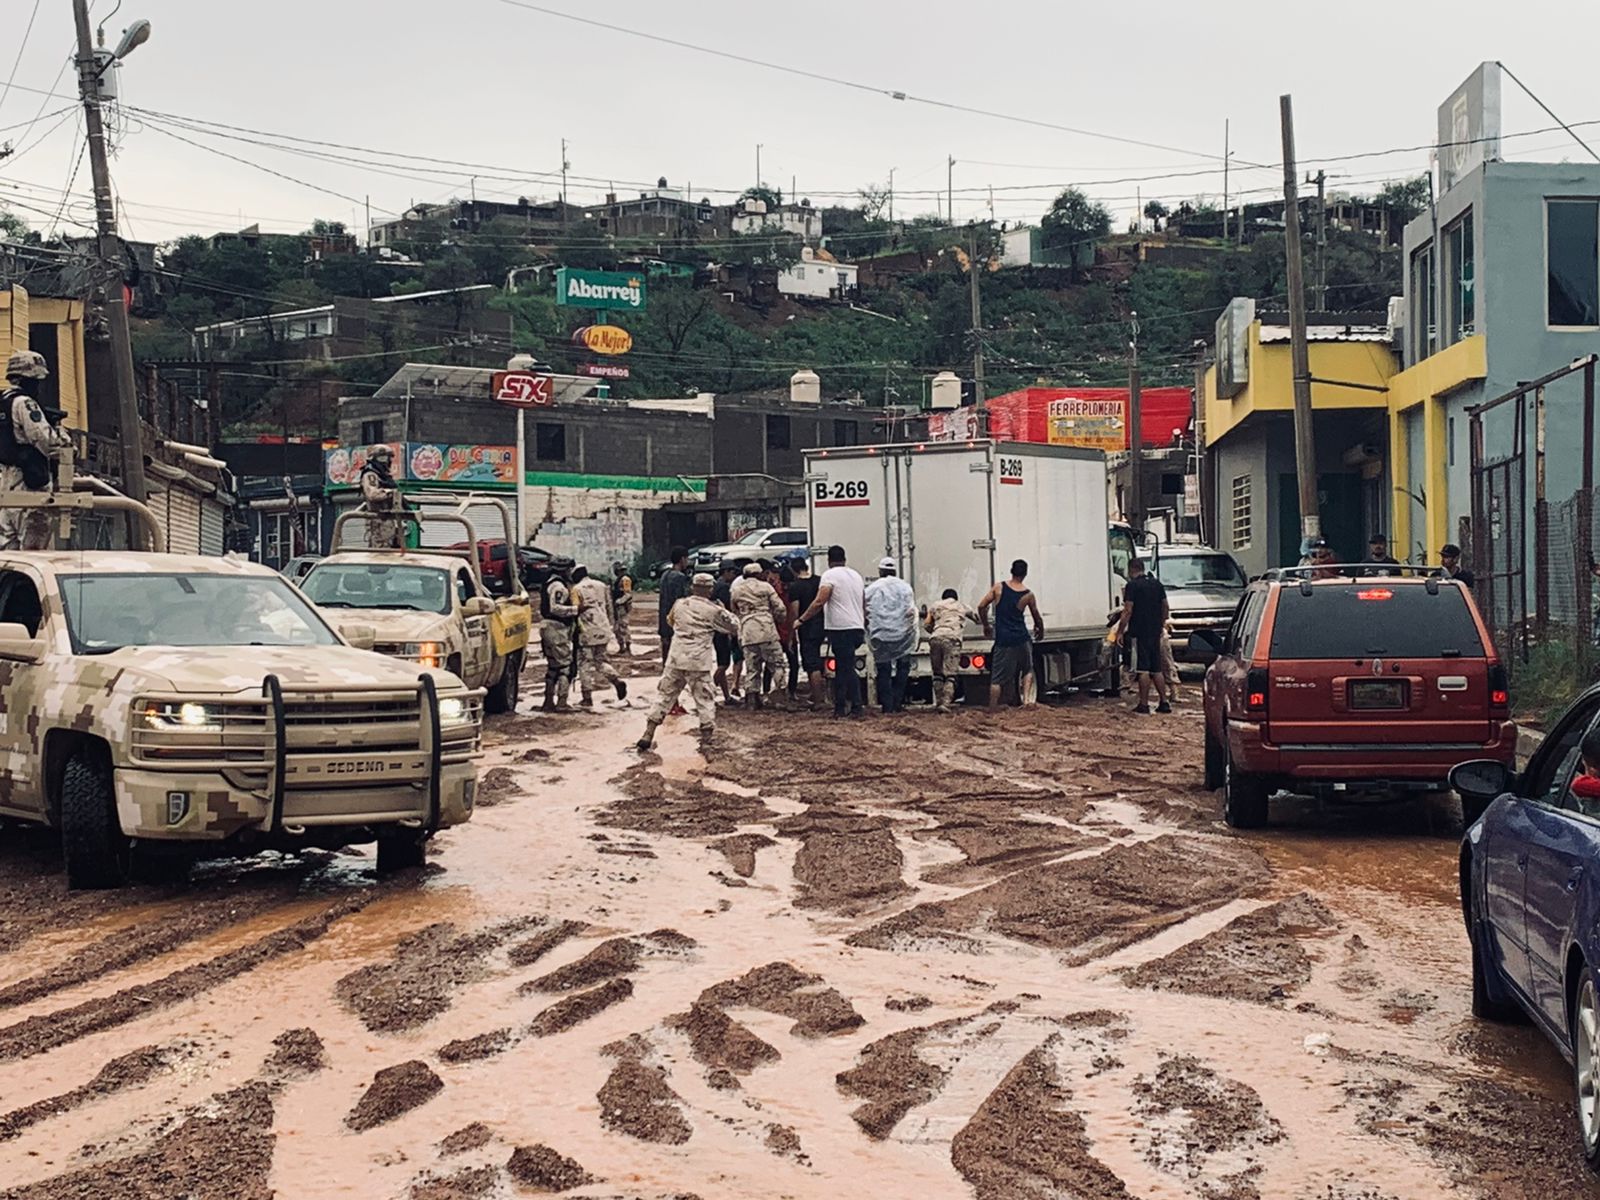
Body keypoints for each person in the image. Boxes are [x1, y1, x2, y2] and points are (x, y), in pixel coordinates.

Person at [637, 572, 739, 751]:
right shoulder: (713, 610)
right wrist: (724, 609)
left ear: (692, 587)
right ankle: (706, 739)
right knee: (704, 699)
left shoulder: (679, 604)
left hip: (676, 658)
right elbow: (734, 627)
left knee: (664, 696)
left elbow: (671, 621)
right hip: (698, 661)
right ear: (710, 589)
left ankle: (648, 733)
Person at [0, 350, 68, 551]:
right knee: (34, 552)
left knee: (7, 555)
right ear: (27, 379)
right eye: (36, 380)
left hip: (5, 485)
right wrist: (62, 436)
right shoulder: (25, 404)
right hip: (29, 486)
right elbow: (46, 440)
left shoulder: (3, 401)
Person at [797, 545, 866, 719]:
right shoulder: (856, 575)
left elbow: (820, 601)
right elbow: (864, 602)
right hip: (857, 627)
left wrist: (801, 620)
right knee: (845, 667)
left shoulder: (829, 575)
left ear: (829, 560)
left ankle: (851, 707)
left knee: (845, 668)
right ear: (845, 559)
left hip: (840, 628)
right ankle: (844, 706)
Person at [979, 560, 1045, 709]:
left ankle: (993, 707)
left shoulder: (999, 588)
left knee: (996, 677)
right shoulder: (1028, 595)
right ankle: (1028, 701)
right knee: (1027, 668)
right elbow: (1036, 616)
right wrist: (1040, 629)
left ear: (1011, 571)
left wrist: (986, 625)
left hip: (1003, 639)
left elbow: (981, 606)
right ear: (1025, 573)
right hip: (1022, 637)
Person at [1113, 558, 1172, 715]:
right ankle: (1164, 702)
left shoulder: (1132, 586)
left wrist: (1120, 631)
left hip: (1138, 633)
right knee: (1156, 668)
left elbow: (1128, 610)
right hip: (1154, 632)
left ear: (1131, 569)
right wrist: (1161, 624)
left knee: (1142, 669)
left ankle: (1144, 704)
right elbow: (1165, 606)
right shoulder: (1157, 584)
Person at [729, 561, 789, 708]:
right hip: (766, 630)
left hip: (748, 631)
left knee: (752, 667)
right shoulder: (766, 587)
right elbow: (780, 608)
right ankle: (780, 698)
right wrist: (779, 620)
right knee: (777, 664)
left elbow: (734, 610)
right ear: (758, 574)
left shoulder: (736, 590)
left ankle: (752, 700)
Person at [864, 557, 918, 714]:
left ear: (880, 571)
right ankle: (897, 701)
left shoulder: (873, 588)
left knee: (883, 670)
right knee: (903, 668)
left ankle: (887, 706)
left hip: (881, 636)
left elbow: (863, 606)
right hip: (902, 637)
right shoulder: (905, 587)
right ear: (895, 571)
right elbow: (910, 612)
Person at [572, 565, 627, 708]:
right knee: (601, 660)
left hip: (586, 630)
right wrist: (610, 625)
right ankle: (616, 680)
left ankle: (587, 697)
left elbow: (575, 611)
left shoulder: (576, 589)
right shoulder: (601, 586)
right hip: (603, 628)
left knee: (584, 663)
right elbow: (609, 607)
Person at [925, 588, 978, 713]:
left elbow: (927, 624)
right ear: (956, 598)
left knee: (937, 673)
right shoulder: (962, 606)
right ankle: (946, 703)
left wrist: (935, 631)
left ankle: (938, 702)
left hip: (935, 639)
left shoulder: (935, 606)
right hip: (952, 639)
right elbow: (976, 618)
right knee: (950, 674)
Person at [538, 556, 580, 712]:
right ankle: (562, 702)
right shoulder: (558, 587)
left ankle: (548, 701)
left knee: (552, 667)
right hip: (556, 628)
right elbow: (555, 608)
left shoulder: (548, 583)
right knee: (564, 667)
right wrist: (575, 610)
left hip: (548, 627)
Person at [787, 557, 826, 710]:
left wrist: (791, 635)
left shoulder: (795, 587)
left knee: (811, 664)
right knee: (819, 662)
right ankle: (819, 695)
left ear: (794, 571)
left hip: (807, 629)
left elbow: (794, 612)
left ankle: (818, 701)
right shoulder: (819, 581)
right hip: (823, 626)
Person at [359, 446, 405, 549]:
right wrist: (390, 493)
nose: (387, 461)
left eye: (388, 458)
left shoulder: (384, 475)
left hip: (390, 517)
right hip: (378, 518)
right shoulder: (370, 474)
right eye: (383, 458)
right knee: (380, 549)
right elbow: (372, 494)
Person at [711, 559, 744, 703]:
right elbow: (726, 611)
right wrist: (732, 630)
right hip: (723, 631)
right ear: (726, 572)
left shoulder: (715, 585)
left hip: (715, 629)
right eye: (732, 572)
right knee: (724, 664)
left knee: (722, 663)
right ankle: (710, 689)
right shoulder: (724, 588)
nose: (734, 575)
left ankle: (726, 696)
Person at [771, 562, 800, 701]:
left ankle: (792, 691)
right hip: (777, 633)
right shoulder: (774, 593)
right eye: (785, 584)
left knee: (794, 664)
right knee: (771, 665)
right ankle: (769, 691)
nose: (787, 586)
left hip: (790, 633)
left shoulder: (794, 592)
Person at [658, 547, 690, 666]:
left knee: (666, 648)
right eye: (687, 559)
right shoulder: (680, 577)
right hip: (676, 619)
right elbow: (682, 600)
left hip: (663, 618)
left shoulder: (665, 575)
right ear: (682, 559)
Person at [610, 560, 635, 655]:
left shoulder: (625, 579)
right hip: (617, 606)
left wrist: (619, 601)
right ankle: (621, 647)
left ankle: (628, 647)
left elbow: (628, 594)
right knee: (617, 628)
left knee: (623, 627)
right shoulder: (618, 580)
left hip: (622, 607)